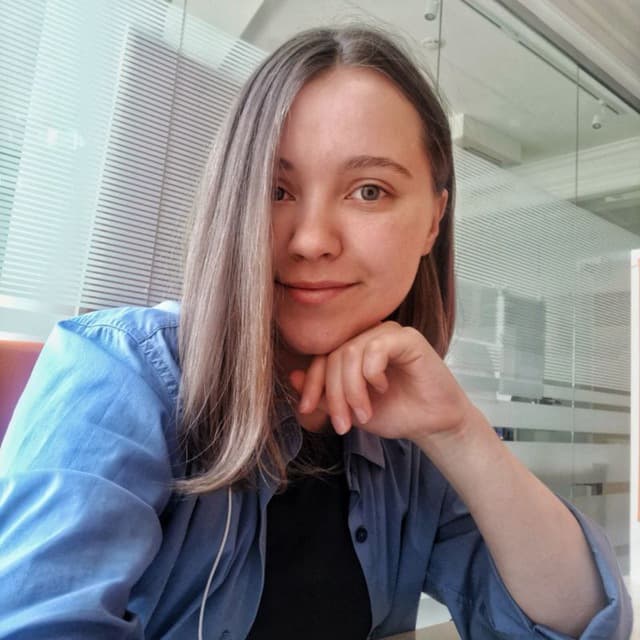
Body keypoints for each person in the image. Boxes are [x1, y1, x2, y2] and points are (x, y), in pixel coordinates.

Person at [0, 25, 633, 640]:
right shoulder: (119, 374)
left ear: (433, 221)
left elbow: (579, 624)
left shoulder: (406, 440)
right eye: (277, 190)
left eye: (368, 191)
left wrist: (461, 434)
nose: (310, 241)